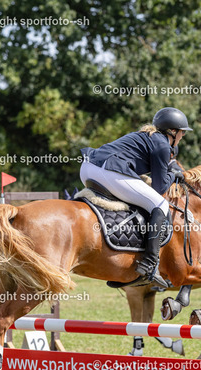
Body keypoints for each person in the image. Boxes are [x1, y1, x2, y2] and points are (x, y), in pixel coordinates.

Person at [80, 107, 192, 283]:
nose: (182, 136)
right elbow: (160, 187)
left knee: (133, 205)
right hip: (108, 170)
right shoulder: (162, 144)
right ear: (173, 131)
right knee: (160, 205)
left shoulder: (147, 136)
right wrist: (174, 175)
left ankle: (118, 258)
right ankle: (149, 263)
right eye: (182, 132)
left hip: (88, 168)